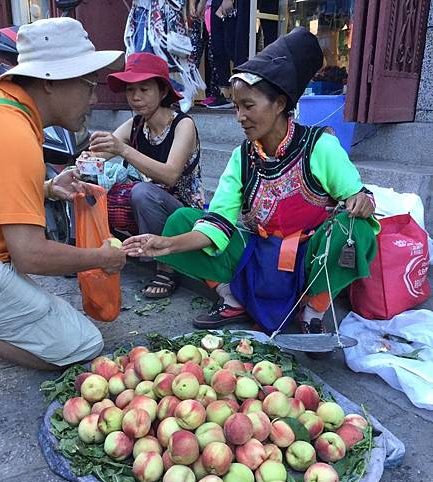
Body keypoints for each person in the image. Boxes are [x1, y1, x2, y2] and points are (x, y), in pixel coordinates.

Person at [122, 28, 378, 336]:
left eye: (248, 105)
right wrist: (166, 245)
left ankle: (314, 308)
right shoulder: (242, 157)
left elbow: (359, 196)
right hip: (258, 252)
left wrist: (361, 201)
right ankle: (233, 298)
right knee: (181, 220)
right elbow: (217, 223)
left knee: (358, 230)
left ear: (280, 104)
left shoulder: (318, 146)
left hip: (309, 257)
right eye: (237, 106)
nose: (239, 116)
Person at [0, 17, 126, 370]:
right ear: (51, 80)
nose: (94, 99)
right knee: (82, 344)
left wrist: (46, 188)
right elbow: (31, 255)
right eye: (89, 85)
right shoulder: (13, 134)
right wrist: (101, 258)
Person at [88, 52, 205, 299]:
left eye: (144, 89)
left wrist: (122, 149)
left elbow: (170, 175)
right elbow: (101, 154)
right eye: (130, 91)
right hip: (152, 204)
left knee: (141, 192)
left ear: (163, 92)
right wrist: (84, 164)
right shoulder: (136, 124)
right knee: (92, 186)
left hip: (184, 212)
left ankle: (167, 268)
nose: (136, 97)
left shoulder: (183, 124)